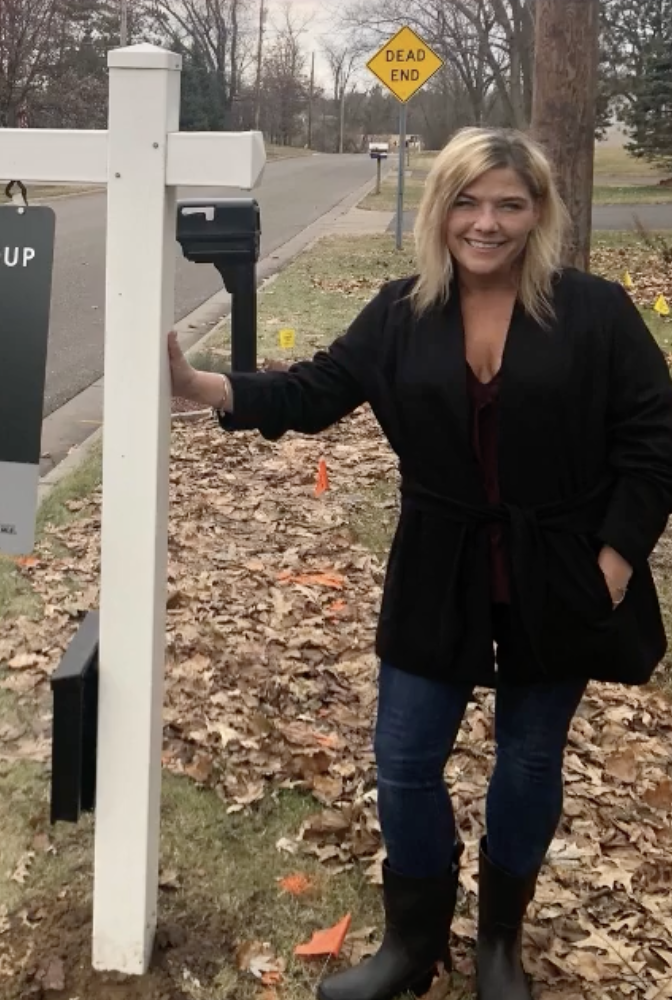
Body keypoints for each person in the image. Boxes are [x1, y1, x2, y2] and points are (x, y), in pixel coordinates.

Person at [168, 126, 672, 1000]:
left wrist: (619, 554)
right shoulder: (404, 310)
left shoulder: (594, 311)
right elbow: (315, 389)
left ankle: (500, 944)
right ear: (441, 210)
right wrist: (205, 387)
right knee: (403, 760)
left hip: (560, 572)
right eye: (469, 202)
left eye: (509, 204)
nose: (487, 223)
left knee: (526, 760)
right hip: (440, 566)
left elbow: (653, 436)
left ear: (538, 212)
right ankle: (412, 944)